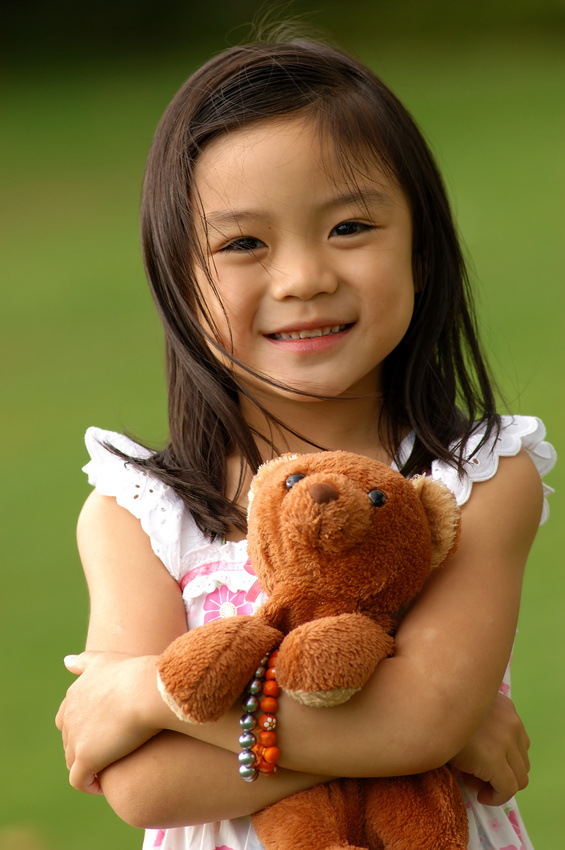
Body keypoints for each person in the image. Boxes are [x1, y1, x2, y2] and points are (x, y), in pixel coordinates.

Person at [56, 32, 556, 850]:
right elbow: (145, 784)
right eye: (243, 244)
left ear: (421, 249)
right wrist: (411, 738)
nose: (303, 278)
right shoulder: (138, 514)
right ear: (180, 280)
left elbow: (421, 718)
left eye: (350, 226)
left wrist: (147, 693)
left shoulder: (475, 481)